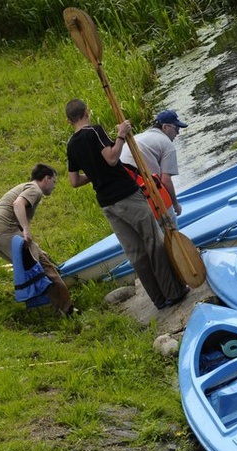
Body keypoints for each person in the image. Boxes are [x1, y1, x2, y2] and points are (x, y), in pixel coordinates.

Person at [64, 99, 189, 310]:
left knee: (135, 252)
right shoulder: (94, 132)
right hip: (126, 194)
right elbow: (112, 158)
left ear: (69, 120)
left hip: (106, 204)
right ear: (87, 111)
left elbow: (74, 181)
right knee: (153, 242)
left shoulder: (71, 144)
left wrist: (94, 174)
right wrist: (121, 135)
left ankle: (158, 299)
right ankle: (173, 291)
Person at [0, 163, 77, 316]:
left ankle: (54, 305)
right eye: (54, 182)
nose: (54, 186)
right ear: (46, 179)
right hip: (3, 232)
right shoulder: (35, 189)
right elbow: (18, 204)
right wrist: (26, 230)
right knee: (43, 267)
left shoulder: (25, 186)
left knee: (39, 261)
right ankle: (66, 310)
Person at [120, 109, 187, 224]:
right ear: (165, 127)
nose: (178, 133)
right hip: (139, 182)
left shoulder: (142, 136)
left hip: (122, 187)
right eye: (176, 128)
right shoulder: (167, 144)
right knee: (169, 217)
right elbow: (165, 180)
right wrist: (175, 205)